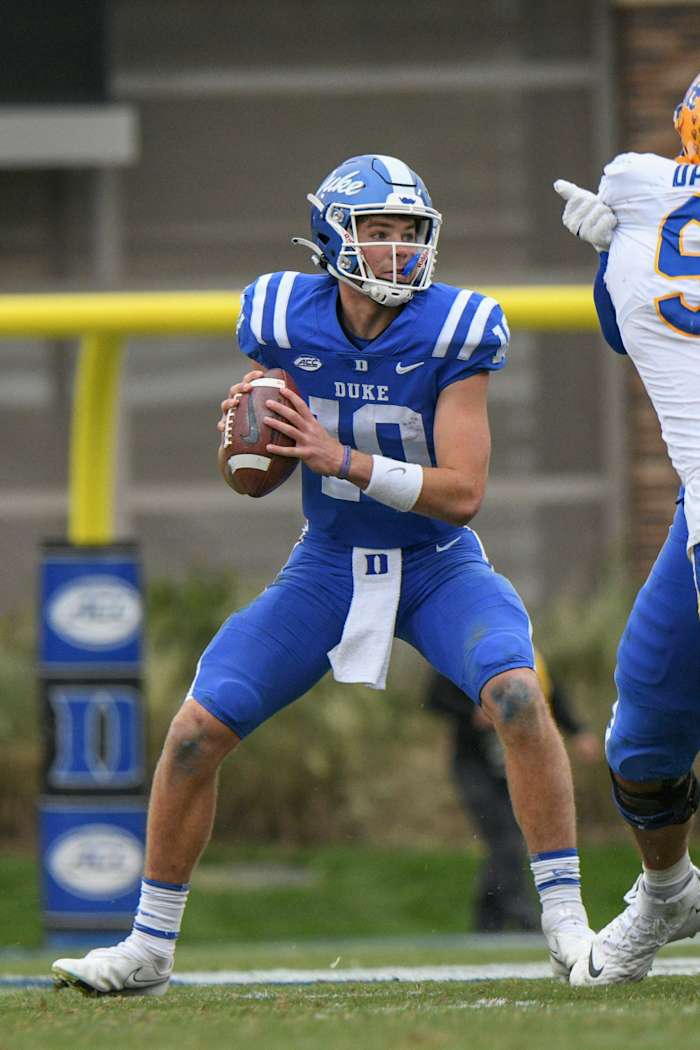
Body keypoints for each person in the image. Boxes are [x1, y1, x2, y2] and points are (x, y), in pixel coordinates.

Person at [52, 153, 592, 996]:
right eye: (377, 233)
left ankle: (567, 925)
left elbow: (464, 494)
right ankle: (149, 946)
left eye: (409, 233)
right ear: (333, 239)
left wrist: (342, 456)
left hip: (435, 565)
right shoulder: (279, 316)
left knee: (518, 696)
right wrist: (248, 450)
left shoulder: (456, 327)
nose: (397, 251)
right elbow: (256, 465)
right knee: (196, 732)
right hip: (328, 564)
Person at [553, 74, 700, 987]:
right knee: (643, 728)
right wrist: (617, 259)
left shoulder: (644, 185)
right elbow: (630, 328)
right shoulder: (648, 200)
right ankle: (668, 893)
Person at [426, 652, 600, 933]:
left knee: (507, 844)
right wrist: (471, 711)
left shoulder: (531, 659)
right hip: (475, 768)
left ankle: (487, 924)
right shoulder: (459, 654)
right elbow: (435, 698)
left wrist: (578, 731)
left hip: (514, 770)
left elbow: (551, 699)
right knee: (505, 842)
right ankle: (524, 916)